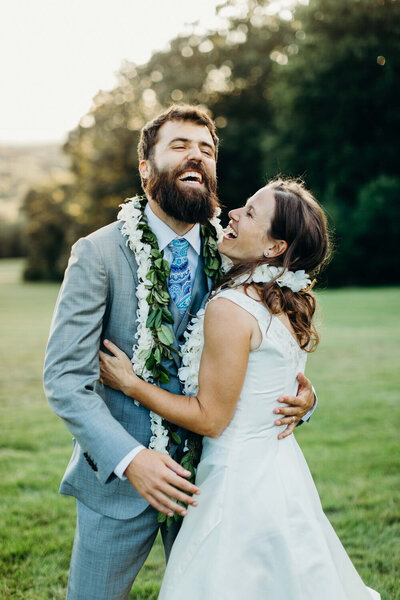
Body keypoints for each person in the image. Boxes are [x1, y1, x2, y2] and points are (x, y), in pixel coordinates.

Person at [43, 105, 316, 600]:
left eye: (206, 150)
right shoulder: (99, 254)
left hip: (211, 482)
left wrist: (304, 400)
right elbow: (65, 380)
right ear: (145, 167)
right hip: (119, 486)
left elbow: (275, 338)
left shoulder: (235, 246)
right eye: (180, 146)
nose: (196, 157)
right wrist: (131, 460)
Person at [99, 178, 380, 599]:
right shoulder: (283, 298)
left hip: (238, 482)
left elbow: (211, 418)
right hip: (281, 474)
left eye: (250, 213)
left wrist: (130, 384)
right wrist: (309, 399)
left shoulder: (231, 308)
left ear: (273, 248)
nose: (232, 213)